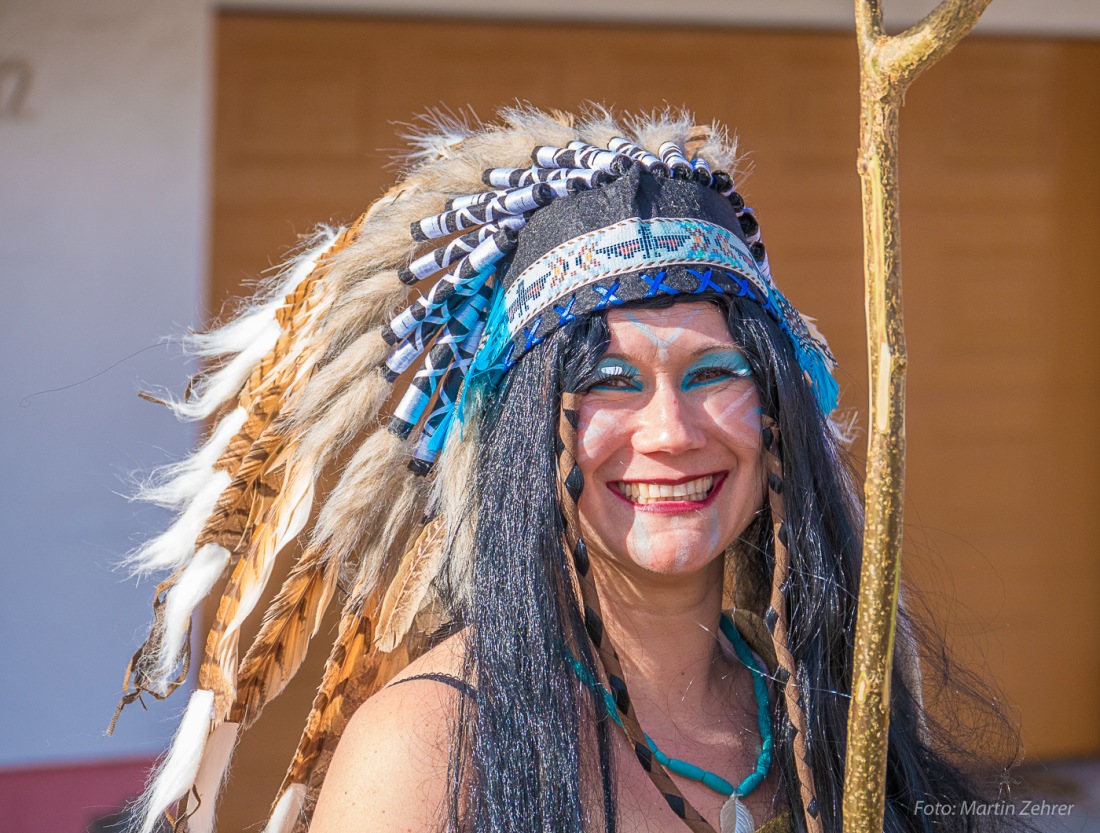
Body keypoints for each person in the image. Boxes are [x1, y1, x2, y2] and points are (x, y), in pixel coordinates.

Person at [116, 108, 1016, 833]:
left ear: (777, 416)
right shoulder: (426, 753)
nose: (669, 431)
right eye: (609, 384)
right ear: (520, 446)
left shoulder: (831, 706)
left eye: (713, 375)